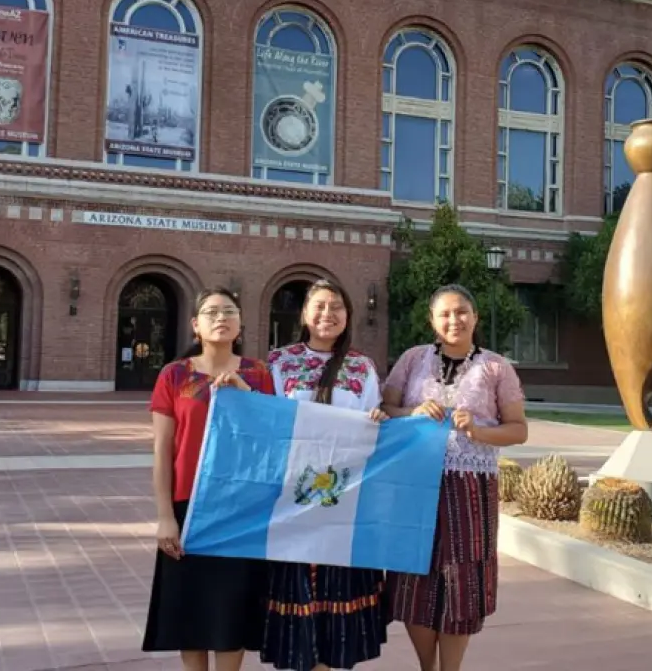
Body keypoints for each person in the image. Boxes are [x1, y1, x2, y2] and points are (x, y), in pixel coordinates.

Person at [381, 284, 529, 671]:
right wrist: (412, 412)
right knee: (414, 573)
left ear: (475, 317)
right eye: (445, 313)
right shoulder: (413, 360)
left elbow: (518, 430)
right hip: (414, 481)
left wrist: (478, 431)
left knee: (460, 578)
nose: (454, 320)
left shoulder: (496, 366)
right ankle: (426, 665)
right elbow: (384, 409)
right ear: (432, 321)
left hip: (470, 485)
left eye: (462, 311)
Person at [142, 287, 275, 671]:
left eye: (229, 311)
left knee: (231, 612)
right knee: (190, 611)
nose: (221, 317)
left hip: (240, 510)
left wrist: (244, 392)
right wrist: (165, 515)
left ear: (240, 323)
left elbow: (268, 435)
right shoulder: (174, 374)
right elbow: (163, 450)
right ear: (195, 325)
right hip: (189, 506)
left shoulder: (258, 373)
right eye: (211, 312)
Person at [261, 278, 390, 671]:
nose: (327, 314)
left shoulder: (361, 367)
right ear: (304, 314)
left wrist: (378, 420)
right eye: (319, 306)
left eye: (336, 306)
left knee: (338, 600)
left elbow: (373, 427)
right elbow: (266, 422)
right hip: (292, 498)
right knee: (298, 595)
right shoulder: (279, 362)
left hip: (345, 501)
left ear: (347, 315)